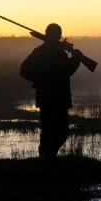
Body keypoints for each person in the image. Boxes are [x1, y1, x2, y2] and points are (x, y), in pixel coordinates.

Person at [19, 23, 83, 160]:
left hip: (45, 97)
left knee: (48, 130)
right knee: (61, 132)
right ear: (59, 36)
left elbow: (23, 70)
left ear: (46, 34)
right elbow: (66, 72)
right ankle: (49, 157)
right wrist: (76, 59)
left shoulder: (40, 51)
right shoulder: (59, 53)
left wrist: (39, 80)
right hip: (59, 98)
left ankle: (45, 156)